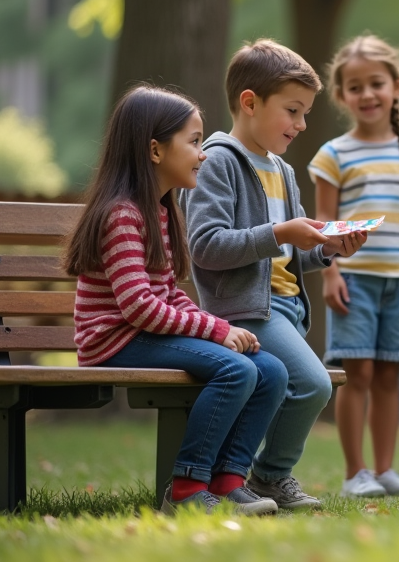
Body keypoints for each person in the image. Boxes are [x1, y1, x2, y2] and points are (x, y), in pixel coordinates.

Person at [69, 85, 288, 515]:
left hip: (142, 333)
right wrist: (218, 330)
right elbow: (138, 307)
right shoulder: (122, 213)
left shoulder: (162, 211)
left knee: (272, 371)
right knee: (235, 370)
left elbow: (167, 294)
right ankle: (186, 489)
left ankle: (227, 481)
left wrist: (222, 328)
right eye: (193, 141)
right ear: (155, 150)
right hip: (114, 340)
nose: (202, 154)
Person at [183, 39, 365, 511]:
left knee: (295, 382)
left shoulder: (282, 171)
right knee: (315, 384)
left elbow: (282, 255)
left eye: (305, 113)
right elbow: (204, 247)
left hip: (284, 307)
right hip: (244, 311)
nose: (301, 124)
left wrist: (325, 250)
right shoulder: (217, 161)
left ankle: (250, 478)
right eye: (292, 110)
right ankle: (269, 475)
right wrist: (279, 230)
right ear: (249, 102)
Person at [310, 35, 399, 498]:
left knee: (391, 375)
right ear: (341, 95)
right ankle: (355, 474)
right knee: (358, 374)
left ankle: (385, 470)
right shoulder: (334, 154)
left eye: (376, 84)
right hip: (355, 280)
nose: (366, 94)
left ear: (397, 86)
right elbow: (323, 222)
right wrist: (330, 272)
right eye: (355, 86)